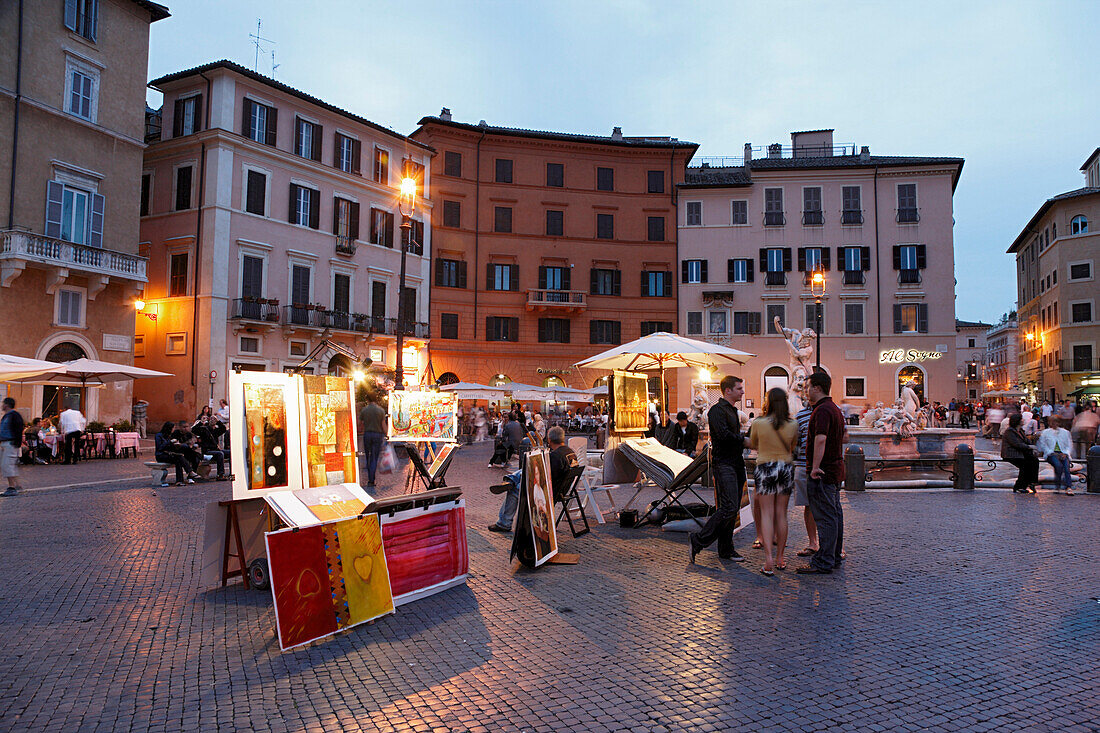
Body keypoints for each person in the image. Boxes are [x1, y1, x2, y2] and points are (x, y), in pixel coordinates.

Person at [690, 375, 748, 564]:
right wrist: (744, 440)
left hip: (736, 464)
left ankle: (726, 549)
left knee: (732, 508)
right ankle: (699, 540)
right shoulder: (716, 411)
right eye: (739, 388)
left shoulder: (733, 410)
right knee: (729, 507)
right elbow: (723, 436)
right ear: (728, 390)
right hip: (724, 464)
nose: (743, 391)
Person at [796, 371, 846, 575]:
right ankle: (832, 557)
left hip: (823, 472)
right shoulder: (834, 409)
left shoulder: (822, 410)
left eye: (807, 387)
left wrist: (815, 467)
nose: (805, 391)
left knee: (825, 517)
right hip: (834, 470)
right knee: (834, 515)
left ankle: (824, 561)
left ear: (817, 387)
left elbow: (820, 438)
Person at [748, 388, 798, 576]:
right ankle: (781, 558)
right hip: (785, 467)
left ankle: (768, 559)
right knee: (781, 514)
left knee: (767, 514)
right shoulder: (793, 424)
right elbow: (793, 446)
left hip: (765, 467)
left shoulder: (758, 422)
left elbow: (754, 443)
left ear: (768, 401)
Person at [792, 401, 817, 560]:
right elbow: (795, 442)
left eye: (808, 389)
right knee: (808, 506)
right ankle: (813, 542)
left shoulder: (834, 411)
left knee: (828, 507)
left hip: (821, 466)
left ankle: (833, 545)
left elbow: (844, 436)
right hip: (803, 465)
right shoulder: (800, 415)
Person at [1036, 416, 1075, 495]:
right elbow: (1043, 445)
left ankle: (1068, 486)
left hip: (1063, 453)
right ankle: (1058, 484)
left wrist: (1066, 453)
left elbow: (1069, 445)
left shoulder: (1065, 432)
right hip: (1051, 453)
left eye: (1055, 422)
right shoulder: (1045, 432)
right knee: (1058, 465)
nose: (1053, 424)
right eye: (1051, 422)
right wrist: (1051, 452)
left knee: (1066, 466)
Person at [1002, 413, 1038, 494]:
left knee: (1034, 460)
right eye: (1021, 419)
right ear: (1017, 421)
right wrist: (1029, 447)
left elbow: (1026, 441)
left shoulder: (1020, 431)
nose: (1023, 420)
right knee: (1025, 465)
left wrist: (1031, 444)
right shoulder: (1009, 431)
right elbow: (1016, 444)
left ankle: (1032, 482)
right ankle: (1019, 486)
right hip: (1011, 454)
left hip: (1020, 453)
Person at [359, 397, 386, 488]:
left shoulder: (364, 410)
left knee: (368, 456)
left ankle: (370, 473)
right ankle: (371, 480)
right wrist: (387, 435)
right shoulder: (380, 410)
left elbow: (360, 424)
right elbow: (383, 425)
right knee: (374, 457)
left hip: (367, 435)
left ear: (368, 400)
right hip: (377, 435)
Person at [1, 398, 25, 496]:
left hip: (11, 443)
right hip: (5, 443)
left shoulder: (14, 415)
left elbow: (19, 429)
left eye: (3, 403)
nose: (2, 405)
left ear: (6, 405)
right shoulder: (6, 416)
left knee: (7, 465)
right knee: (7, 464)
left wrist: (16, 443)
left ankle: (12, 487)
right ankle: (17, 485)